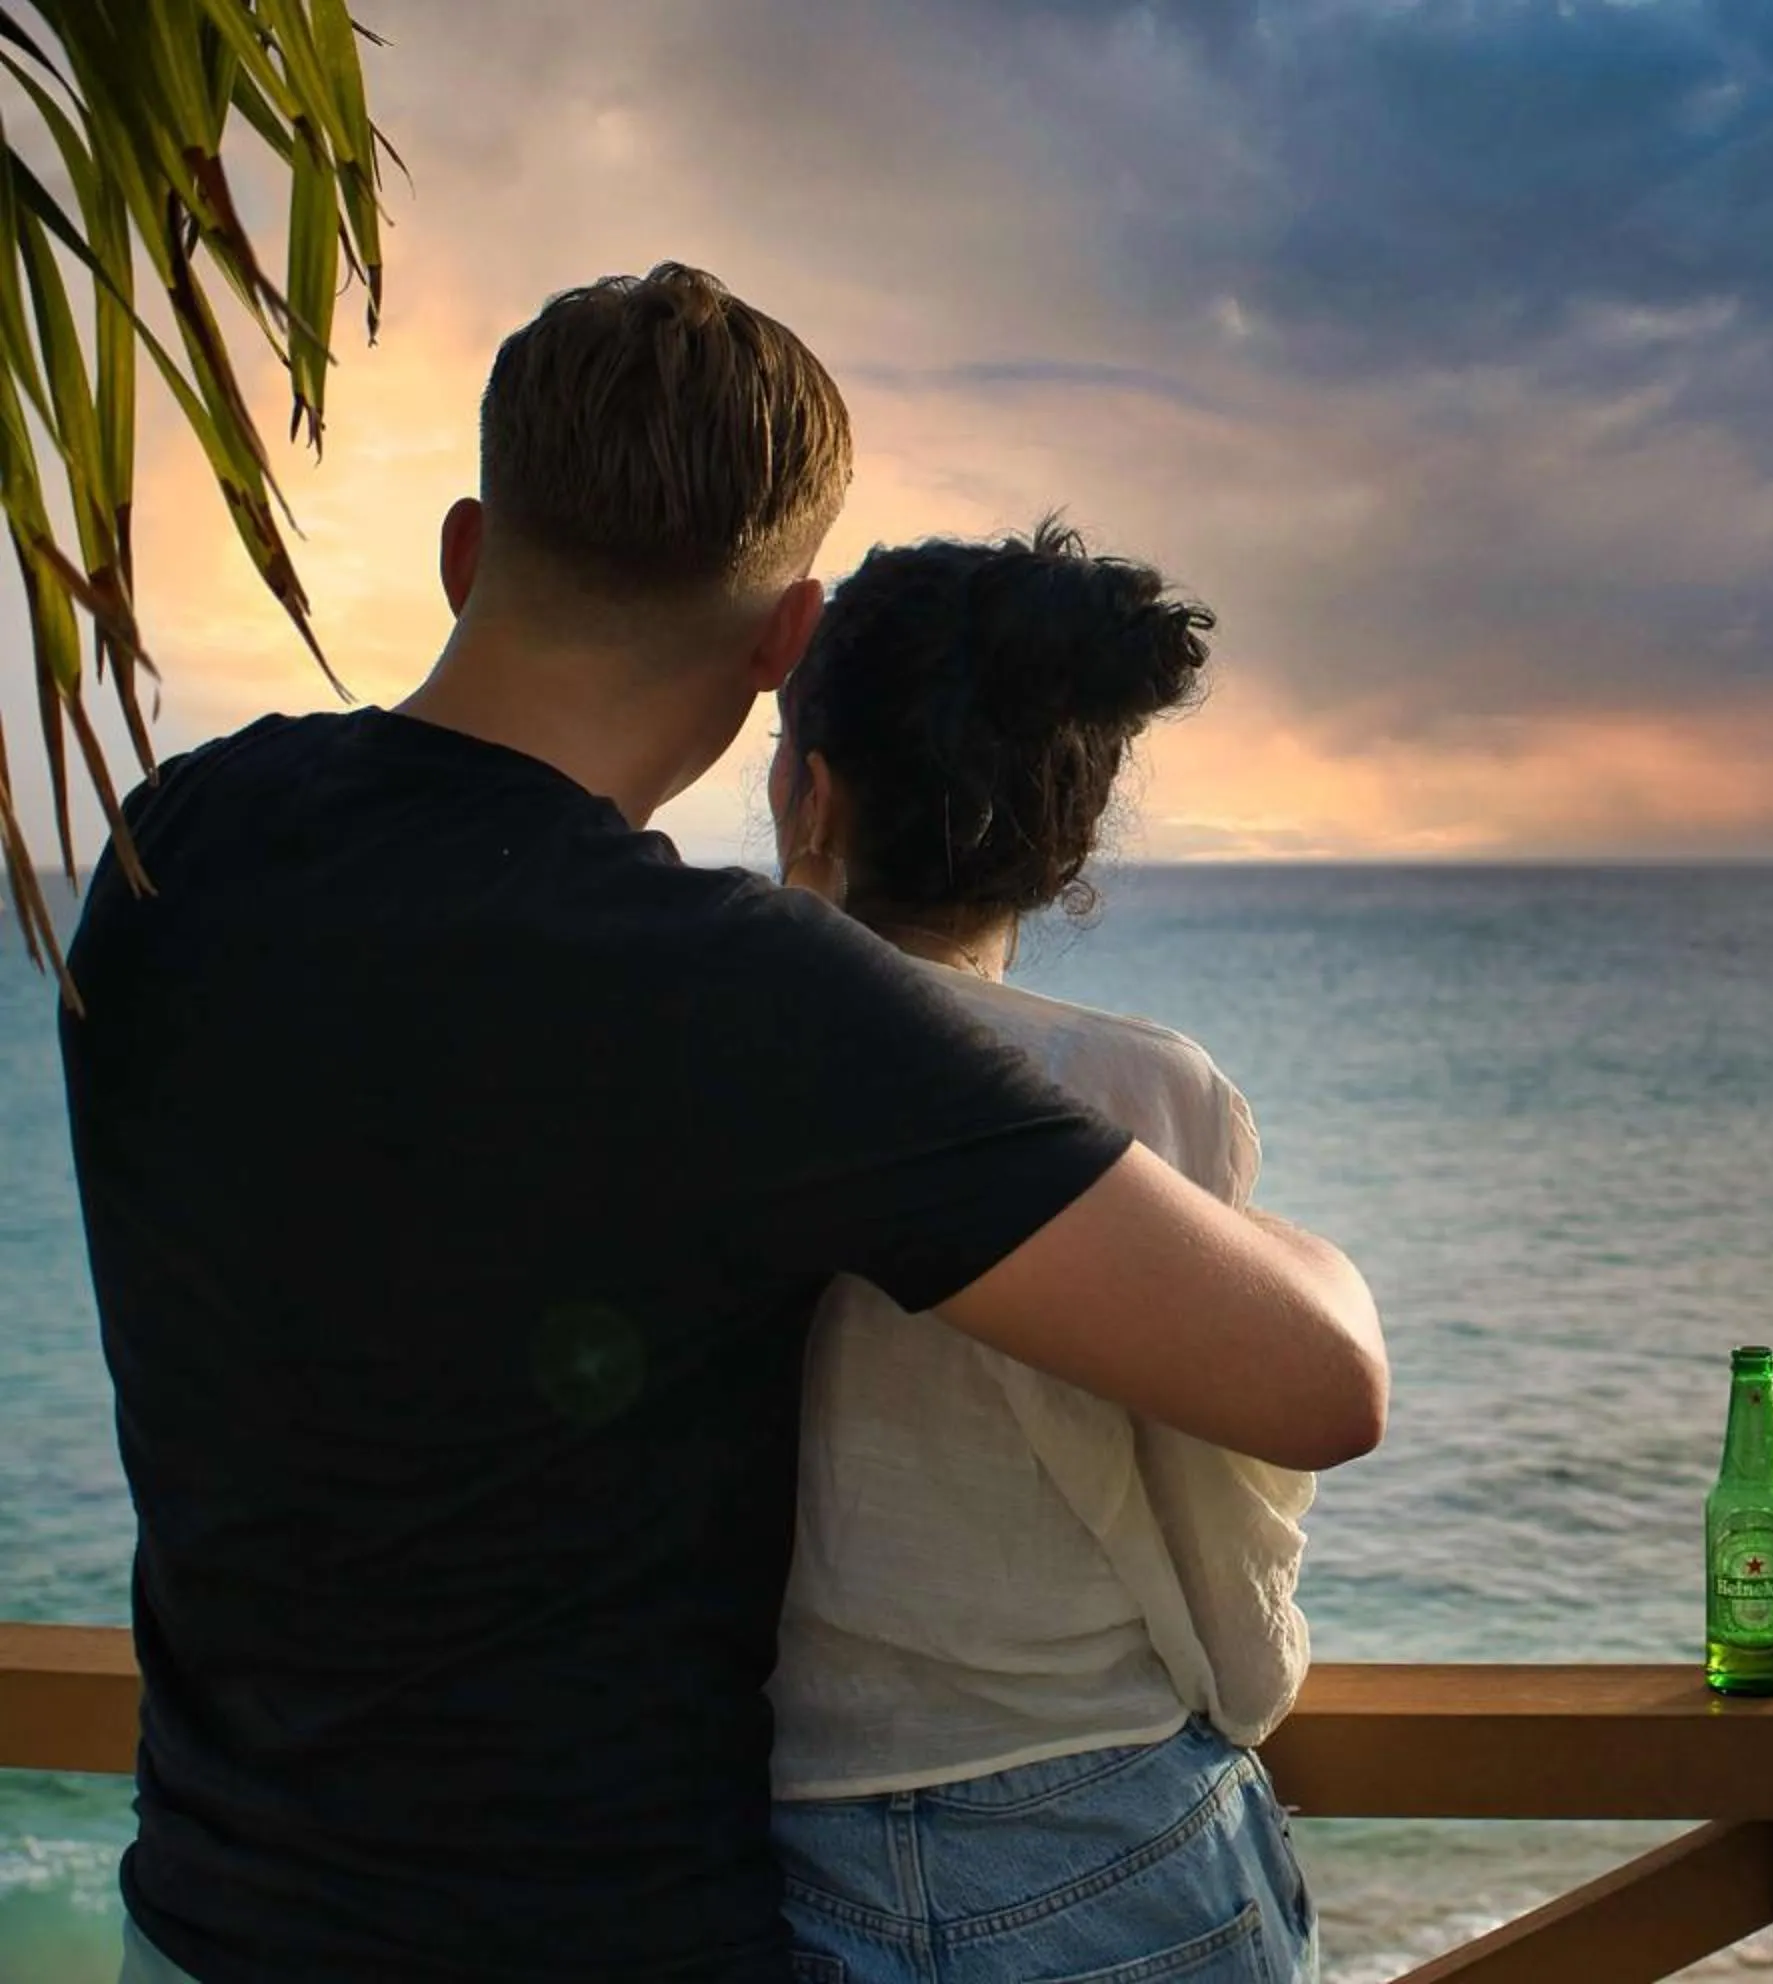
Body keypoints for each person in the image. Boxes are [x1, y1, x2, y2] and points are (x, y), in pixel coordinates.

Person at [58, 266, 1384, 1984]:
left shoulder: (178, 839)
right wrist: (1304, 1246)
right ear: (781, 644)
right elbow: (1312, 1384)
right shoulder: (731, 995)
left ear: (467, 550)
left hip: (201, 1920)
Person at [762, 523, 1321, 1983]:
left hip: (762, 1851)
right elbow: (1218, 1524)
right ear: (1065, 846)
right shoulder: (1142, 1093)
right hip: (1112, 1838)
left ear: (810, 789)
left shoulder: (703, 1046)